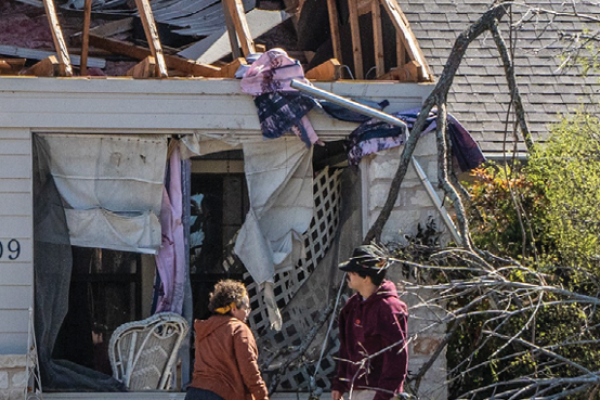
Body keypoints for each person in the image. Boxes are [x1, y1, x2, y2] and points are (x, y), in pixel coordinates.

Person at [331, 245, 409, 400]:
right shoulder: (353, 306)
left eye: (352, 272)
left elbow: (397, 358)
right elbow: (347, 348)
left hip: (377, 392)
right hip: (356, 390)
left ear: (366, 277)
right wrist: (339, 384)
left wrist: (384, 396)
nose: (348, 276)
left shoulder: (388, 309)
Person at [186, 280, 269, 400]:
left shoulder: (204, 329)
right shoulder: (239, 329)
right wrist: (261, 395)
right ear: (234, 309)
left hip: (194, 392)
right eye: (246, 308)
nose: (247, 313)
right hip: (223, 393)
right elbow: (248, 367)